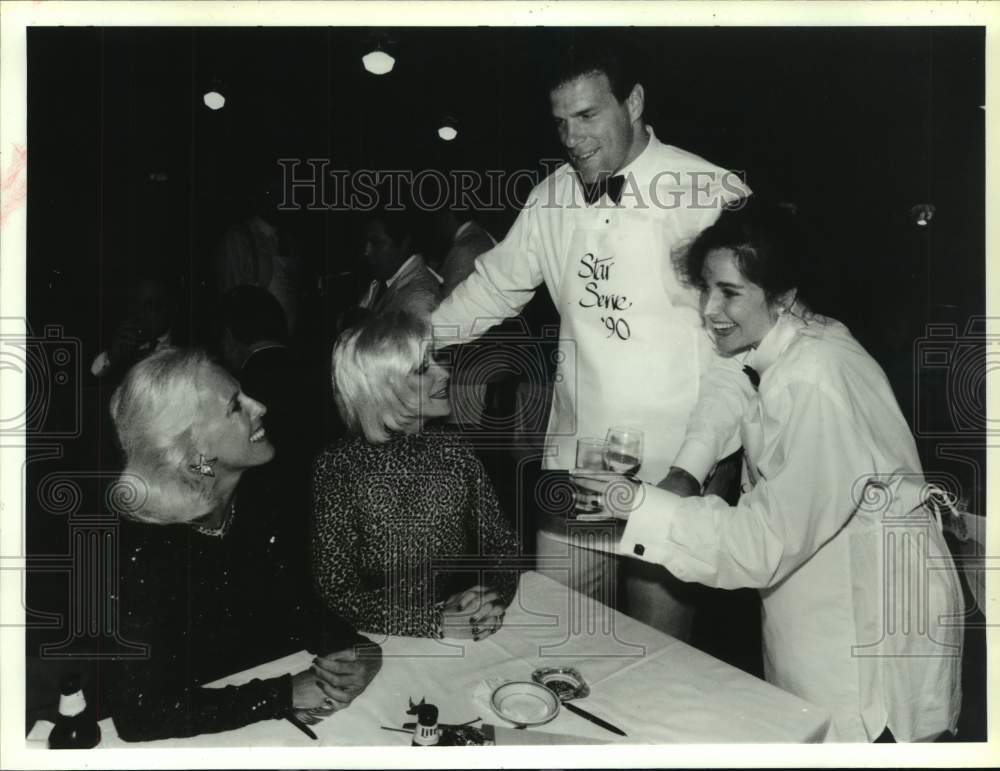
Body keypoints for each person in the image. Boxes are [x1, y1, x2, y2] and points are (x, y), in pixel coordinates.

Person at [575, 201, 964, 742]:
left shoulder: (816, 381)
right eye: (706, 288)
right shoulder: (795, 333)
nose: (710, 309)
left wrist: (639, 506)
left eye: (730, 292)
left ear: (781, 296)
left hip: (863, 640)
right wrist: (685, 473)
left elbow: (761, 543)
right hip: (818, 610)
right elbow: (730, 377)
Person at [429, 40, 749, 635]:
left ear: (633, 102)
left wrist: (692, 468)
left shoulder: (710, 194)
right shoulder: (550, 197)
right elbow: (495, 288)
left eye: (587, 116)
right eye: (560, 123)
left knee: (656, 655)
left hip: (676, 465)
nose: (572, 139)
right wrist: (419, 340)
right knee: (564, 639)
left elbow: (743, 351)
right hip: (576, 464)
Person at [105, 348, 381, 741]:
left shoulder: (259, 496)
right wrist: (281, 694)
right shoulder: (138, 552)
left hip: (256, 711)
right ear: (193, 451)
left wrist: (355, 648)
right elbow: (139, 715)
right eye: (236, 406)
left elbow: (293, 602)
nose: (260, 406)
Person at [311, 311, 520, 640]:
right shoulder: (340, 466)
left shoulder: (454, 450)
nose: (445, 372)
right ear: (385, 387)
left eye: (436, 359)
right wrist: (434, 621)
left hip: (453, 631)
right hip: (374, 643)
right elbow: (338, 592)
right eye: (424, 368)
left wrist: (488, 597)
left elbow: (503, 544)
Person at [356, 211, 442, 318]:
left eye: (377, 243)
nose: (367, 252)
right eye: (366, 243)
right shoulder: (383, 279)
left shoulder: (420, 299)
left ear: (404, 243)